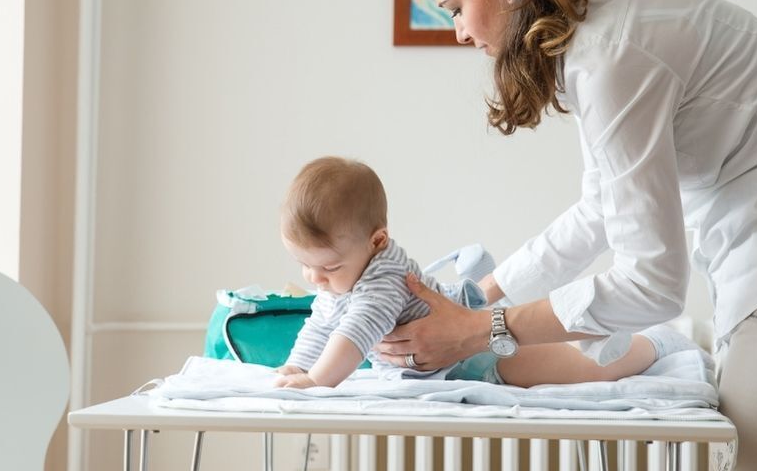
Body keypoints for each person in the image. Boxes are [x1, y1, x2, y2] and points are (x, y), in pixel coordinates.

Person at [372, 0, 757, 471]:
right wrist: (475, 297)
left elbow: (653, 284)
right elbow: (601, 210)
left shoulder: (609, 52)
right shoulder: (600, 29)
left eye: (453, 7)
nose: (457, 31)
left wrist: (480, 330)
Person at [273, 156, 693, 389]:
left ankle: (655, 343)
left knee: (588, 373)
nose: (315, 279)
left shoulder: (381, 282)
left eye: (327, 267)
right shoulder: (345, 275)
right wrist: (297, 366)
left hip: (482, 352)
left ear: (378, 240)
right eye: (304, 266)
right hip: (449, 362)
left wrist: (317, 381)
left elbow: (350, 338)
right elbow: (322, 325)